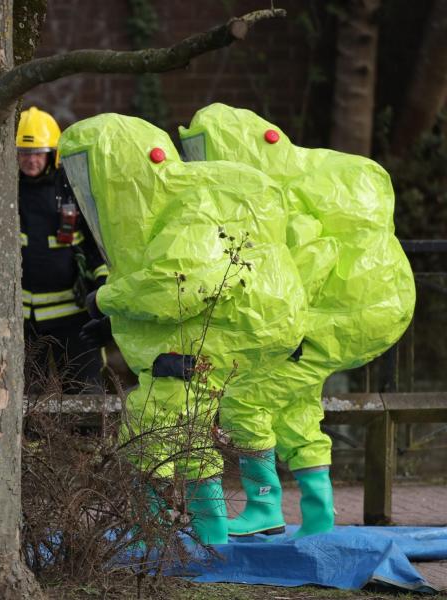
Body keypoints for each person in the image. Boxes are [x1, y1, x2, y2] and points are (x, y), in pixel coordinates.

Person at [59, 114, 306, 544]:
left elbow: (180, 285)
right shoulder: (170, 205)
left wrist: (106, 301)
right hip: (251, 323)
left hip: (239, 326)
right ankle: (222, 523)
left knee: (160, 411)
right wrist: (115, 325)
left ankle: (156, 526)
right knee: (206, 414)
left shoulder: (186, 203)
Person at [179, 103, 415, 538]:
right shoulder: (282, 195)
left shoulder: (282, 203)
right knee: (298, 409)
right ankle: (320, 516)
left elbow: (312, 260)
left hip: (320, 324)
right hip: (338, 321)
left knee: (244, 398)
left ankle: (266, 507)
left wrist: (294, 326)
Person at [17, 107, 110, 394]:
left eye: (37, 153)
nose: (30, 160)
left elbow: (94, 245)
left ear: (52, 154)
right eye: (23, 153)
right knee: (27, 400)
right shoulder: (3, 190)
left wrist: (103, 289)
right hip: (22, 319)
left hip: (73, 315)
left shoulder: (72, 189)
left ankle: (90, 440)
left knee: (86, 394)